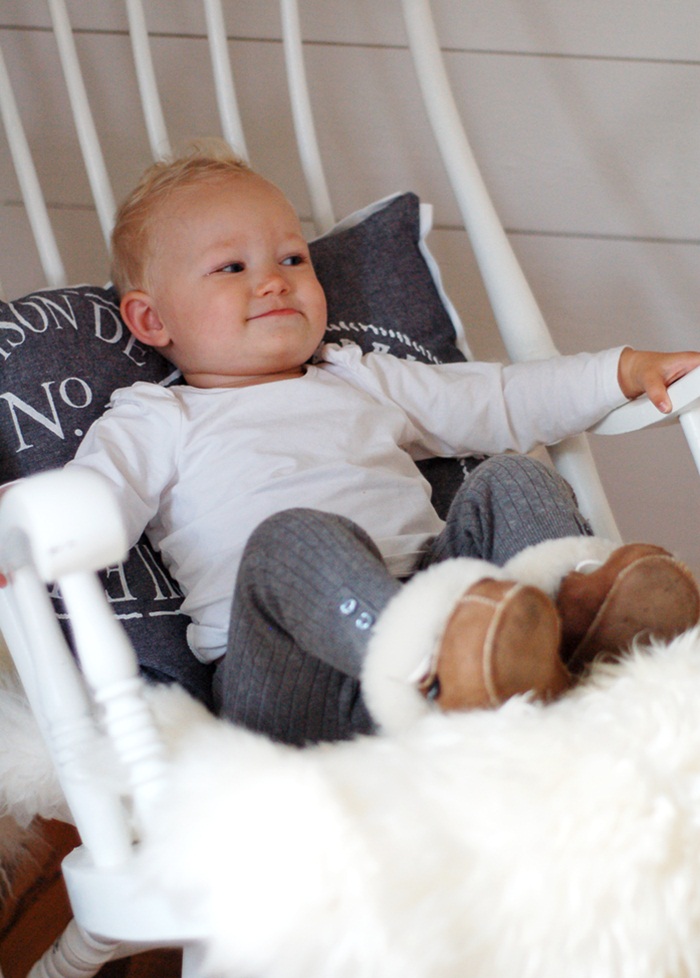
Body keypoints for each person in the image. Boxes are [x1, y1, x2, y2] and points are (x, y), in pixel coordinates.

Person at [67, 141, 700, 745]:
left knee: (512, 478)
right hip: (292, 673)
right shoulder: (159, 417)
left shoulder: (359, 377)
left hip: (443, 608)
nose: (274, 282)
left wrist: (617, 373)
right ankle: (436, 666)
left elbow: (498, 400)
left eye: (292, 259)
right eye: (232, 267)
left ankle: (571, 624)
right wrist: (23, 531)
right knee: (293, 537)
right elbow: (85, 504)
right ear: (152, 319)